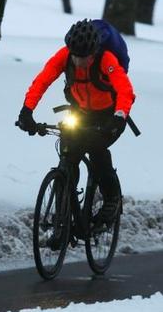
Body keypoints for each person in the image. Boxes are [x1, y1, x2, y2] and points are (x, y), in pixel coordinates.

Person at [17, 19, 135, 230]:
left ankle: (112, 199)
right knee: (70, 151)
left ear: (94, 52)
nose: (79, 62)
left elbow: (125, 90)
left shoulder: (106, 59)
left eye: (85, 57)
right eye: (76, 56)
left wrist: (118, 117)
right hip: (81, 111)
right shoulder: (64, 56)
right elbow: (42, 81)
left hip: (110, 114)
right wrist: (27, 110)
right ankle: (65, 207)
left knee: (96, 148)